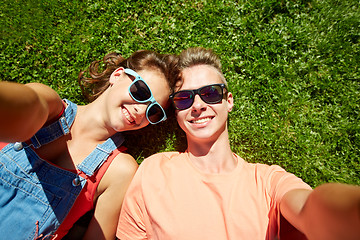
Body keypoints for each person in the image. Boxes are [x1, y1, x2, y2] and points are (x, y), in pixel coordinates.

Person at [116, 47, 360, 240]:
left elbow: (310, 207)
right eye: (184, 98)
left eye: (210, 93)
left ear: (228, 101)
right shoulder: (153, 172)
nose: (198, 105)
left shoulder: (267, 181)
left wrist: (349, 215)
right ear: (176, 111)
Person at [0, 50, 178, 239]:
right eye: (141, 91)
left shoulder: (119, 171)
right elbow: (26, 104)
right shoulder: (50, 107)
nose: (141, 110)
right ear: (117, 76)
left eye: (154, 111)